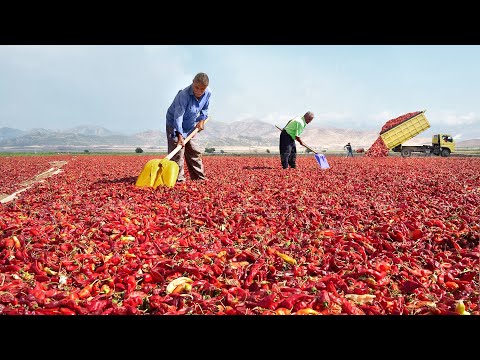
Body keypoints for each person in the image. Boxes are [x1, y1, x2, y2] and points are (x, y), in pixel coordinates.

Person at [165, 72, 211, 182]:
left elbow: (205, 109)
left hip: (190, 125)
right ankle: (178, 180)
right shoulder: (183, 95)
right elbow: (178, 117)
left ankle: (199, 178)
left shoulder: (208, 93)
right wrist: (179, 135)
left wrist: (202, 120)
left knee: (194, 151)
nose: (199, 91)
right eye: (197, 87)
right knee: (178, 153)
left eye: (202, 89)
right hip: (175, 124)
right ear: (193, 83)